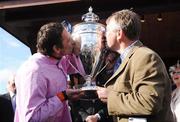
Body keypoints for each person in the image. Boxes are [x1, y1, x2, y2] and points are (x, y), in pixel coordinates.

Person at [96, 9, 175, 122]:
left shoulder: (145, 57)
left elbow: (148, 102)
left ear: (119, 34)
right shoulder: (124, 59)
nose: (104, 35)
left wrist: (111, 97)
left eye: (108, 30)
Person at [14, 22, 83, 122]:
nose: (72, 42)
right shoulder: (34, 71)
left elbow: (77, 68)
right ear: (57, 49)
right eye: (68, 40)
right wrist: (63, 96)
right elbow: (32, 118)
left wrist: (76, 51)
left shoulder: (58, 59)